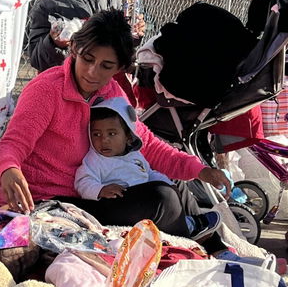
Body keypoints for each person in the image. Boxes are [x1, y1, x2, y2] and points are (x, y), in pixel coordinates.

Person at [0, 9, 230, 236]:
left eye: (106, 66)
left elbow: (145, 143)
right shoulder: (47, 90)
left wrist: (201, 171)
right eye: (87, 59)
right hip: (55, 204)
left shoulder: (111, 92)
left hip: (103, 192)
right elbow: (12, 144)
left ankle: (211, 244)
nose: (92, 72)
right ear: (74, 49)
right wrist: (9, 169)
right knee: (163, 199)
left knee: (176, 182)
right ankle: (192, 243)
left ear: (118, 68)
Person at [74, 98, 220, 239]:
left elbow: (148, 173)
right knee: (163, 197)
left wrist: (168, 184)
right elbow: (83, 180)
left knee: (174, 185)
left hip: (143, 197)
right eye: (96, 134)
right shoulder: (95, 160)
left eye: (111, 134)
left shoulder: (135, 156)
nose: (104, 140)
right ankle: (187, 228)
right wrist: (99, 190)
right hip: (117, 202)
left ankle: (196, 229)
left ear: (128, 137)